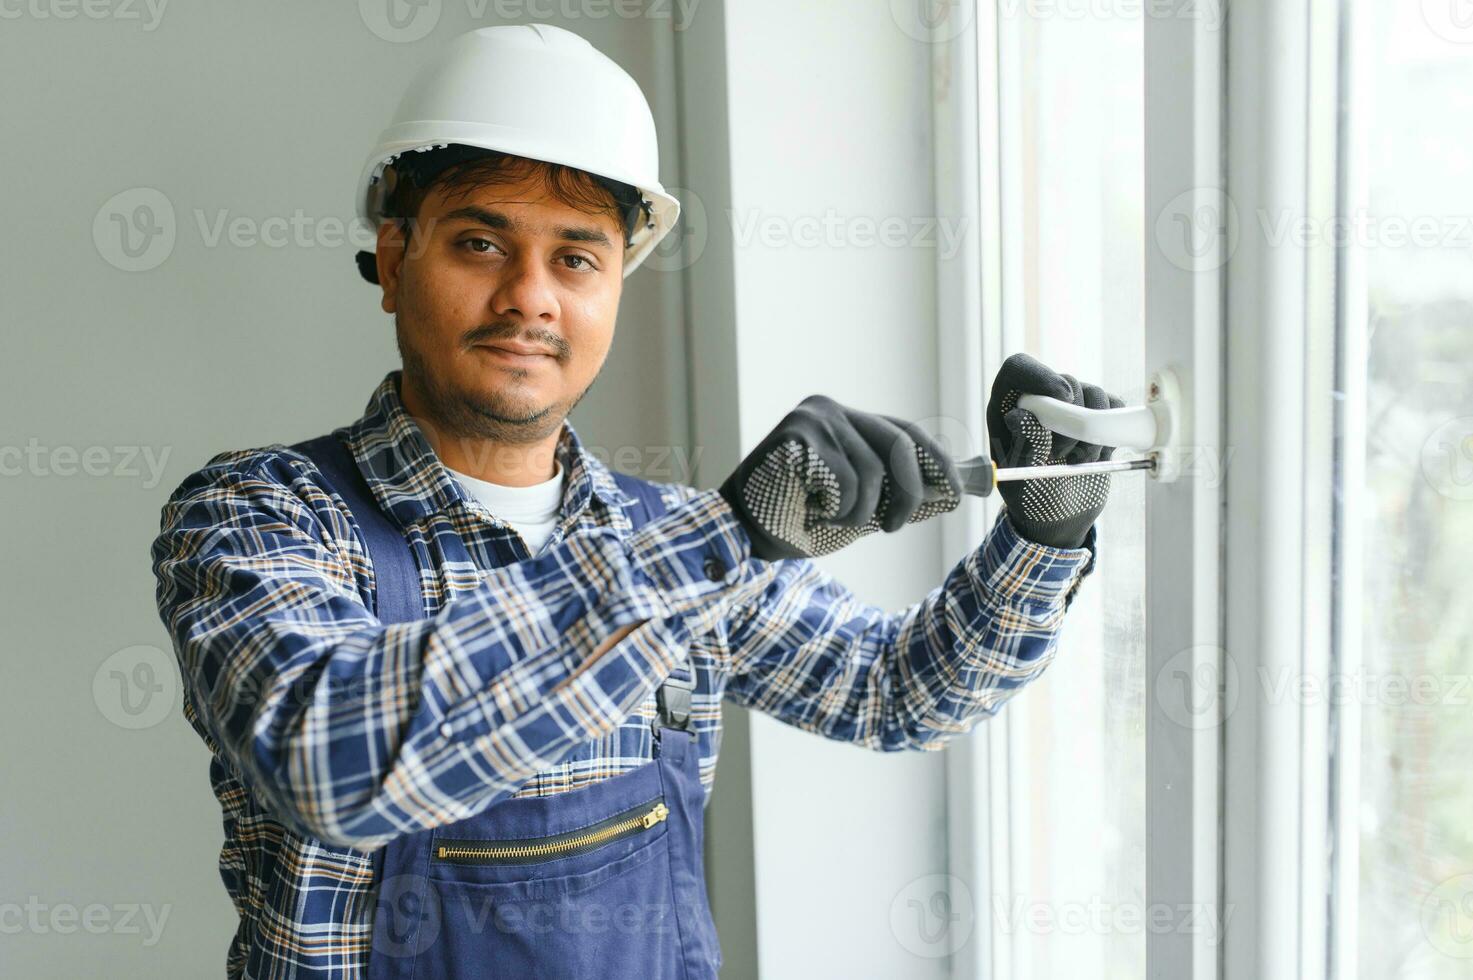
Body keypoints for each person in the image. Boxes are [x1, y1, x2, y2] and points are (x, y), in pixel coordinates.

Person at [149, 23, 1121, 979]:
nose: (530, 296)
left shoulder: (666, 537)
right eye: (481, 241)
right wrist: (728, 537)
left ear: (616, 285)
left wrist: (1043, 533)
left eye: (576, 257)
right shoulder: (261, 513)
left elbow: (896, 690)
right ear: (396, 261)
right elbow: (330, 759)